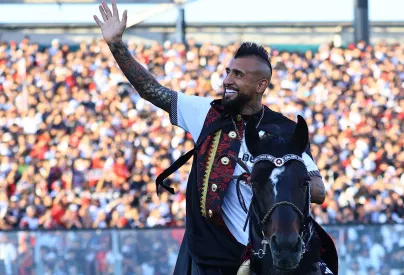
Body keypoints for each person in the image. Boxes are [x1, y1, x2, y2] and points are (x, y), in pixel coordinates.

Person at [94, 1, 335, 274]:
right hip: (212, 259)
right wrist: (116, 44)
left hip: (274, 261)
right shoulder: (206, 114)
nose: (227, 80)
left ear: (261, 85)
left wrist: (276, 176)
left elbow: (318, 192)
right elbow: (151, 90)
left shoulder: (285, 130)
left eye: (238, 75)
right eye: (228, 72)